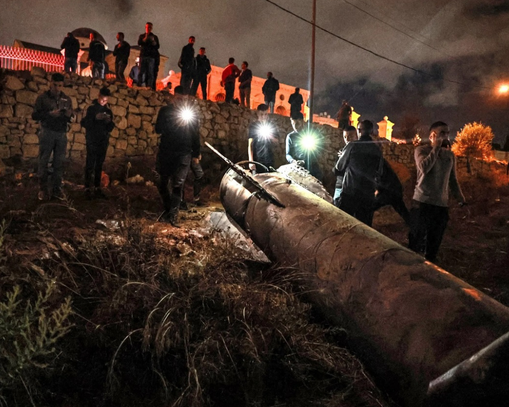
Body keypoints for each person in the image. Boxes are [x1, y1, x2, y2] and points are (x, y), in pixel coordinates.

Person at [408, 121, 466, 262]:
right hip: (422, 204)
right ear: (432, 135)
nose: (446, 136)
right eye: (442, 133)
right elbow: (424, 169)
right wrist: (435, 148)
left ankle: (428, 276)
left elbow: (453, 180)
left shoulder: (450, 156)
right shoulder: (421, 151)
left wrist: (461, 200)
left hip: (440, 206)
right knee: (415, 244)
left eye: (447, 133)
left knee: (433, 246)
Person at [155, 86, 200, 227]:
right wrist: (174, 124)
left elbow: (195, 135)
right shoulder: (165, 111)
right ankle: (169, 208)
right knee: (162, 182)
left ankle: (173, 215)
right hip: (166, 151)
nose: (182, 102)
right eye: (180, 99)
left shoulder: (190, 114)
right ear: (174, 97)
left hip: (184, 152)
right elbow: (158, 129)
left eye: (185, 100)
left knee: (178, 184)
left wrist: (196, 153)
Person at [32, 73, 74, 201]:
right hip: (48, 132)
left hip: (61, 133)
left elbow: (71, 117)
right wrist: (49, 114)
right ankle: (43, 189)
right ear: (51, 83)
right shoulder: (42, 98)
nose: (57, 88)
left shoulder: (67, 99)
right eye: (55, 85)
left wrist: (68, 115)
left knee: (59, 162)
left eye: (60, 85)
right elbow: (35, 115)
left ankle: (57, 189)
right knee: (44, 160)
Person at [334, 120, 382, 227]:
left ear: (359, 131)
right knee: (364, 229)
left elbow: (339, 167)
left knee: (344, 226)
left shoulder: (352, 146)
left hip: (350, 194)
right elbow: (379, 172)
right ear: (372, 131)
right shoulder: (377, 150)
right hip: (368, 196)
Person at [81, 87, 115, 199]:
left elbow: (110, 128)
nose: (103, 102)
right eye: (102, 100)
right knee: (90, 163)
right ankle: (87, 187)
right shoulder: (91, 109)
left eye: (106, 101)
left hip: (103, 140)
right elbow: (85, 123)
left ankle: (97, 187)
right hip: (92, 140)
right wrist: (95, 118)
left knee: (99, 164)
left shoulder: (108, 111)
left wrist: (109, 122)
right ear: (98, 96)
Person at [373, 159, 410, 226]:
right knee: (401, 209)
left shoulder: (376, 162)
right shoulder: (380, 160)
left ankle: (365, 229)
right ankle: (414, 226)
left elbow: (379, 178)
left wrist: (377, 190)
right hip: (394, 189)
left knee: (368, 207)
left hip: (389, 191)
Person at [332, 125, 357, 207]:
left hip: (349, 189)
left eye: (350, 136)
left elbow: (337, 169)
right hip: (340, 186)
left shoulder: (358, 153)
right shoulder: (341, 152)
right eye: (345, 137)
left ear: (356, 136)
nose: (347, 139)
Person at [248, 104, 276, 174]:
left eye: (266, 114)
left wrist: (270, 136)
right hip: (257, 160)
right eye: (261, 114)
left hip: (269, 160)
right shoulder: (253, 126)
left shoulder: (271, 125)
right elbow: (250, 144)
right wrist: (251, 161)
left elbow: (277, 141)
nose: (264, 117)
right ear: (258, 114)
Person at [138, 22, 160, 89]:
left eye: (150, 27)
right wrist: (145, 38)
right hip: (143, 55)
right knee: (141, 71)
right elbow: (139, 43)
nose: (148, 28)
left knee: (150, 72)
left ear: (151, 28)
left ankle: (149, 86)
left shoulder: (154, 37)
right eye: (147, 27)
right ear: (145, 27)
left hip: (151, 57)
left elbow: (157, 46)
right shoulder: (142, 36)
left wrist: (153, 41)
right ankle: (139, 85)